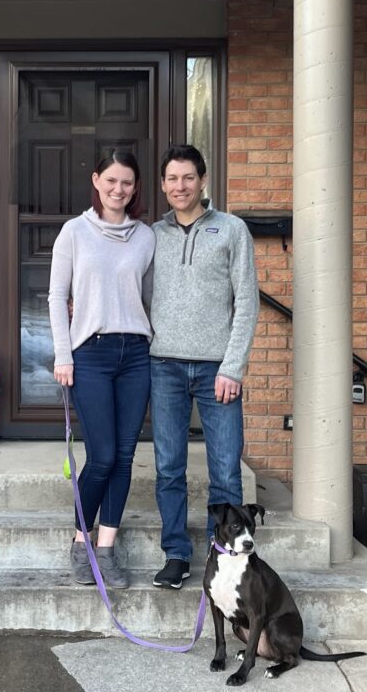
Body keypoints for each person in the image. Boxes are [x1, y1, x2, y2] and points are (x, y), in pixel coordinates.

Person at [148, 144, 259, 589]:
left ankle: (228, 555)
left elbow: (247, 301)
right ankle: (176, 553)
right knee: (169, 466)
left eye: (188, 178)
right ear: (163, 184)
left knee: (226, 469)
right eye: (172, 179)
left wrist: (233, 367)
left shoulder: (232, 230)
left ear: (203, 180)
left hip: (218, 370)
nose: (180, 186)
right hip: (164, 367)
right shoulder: (151, 235)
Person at [48, 150, 155, 589]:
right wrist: (63, 354)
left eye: (126, 182)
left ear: (135, 188)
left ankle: (106, 549)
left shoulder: (146, 237)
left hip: (136, 356)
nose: (118, 190)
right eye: (111, 180)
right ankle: (81, 541)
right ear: (96, 180)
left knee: (125, 456)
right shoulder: (74, 232)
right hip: (89, 353)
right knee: (103, 456)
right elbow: (57, 297)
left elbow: (149, 298)